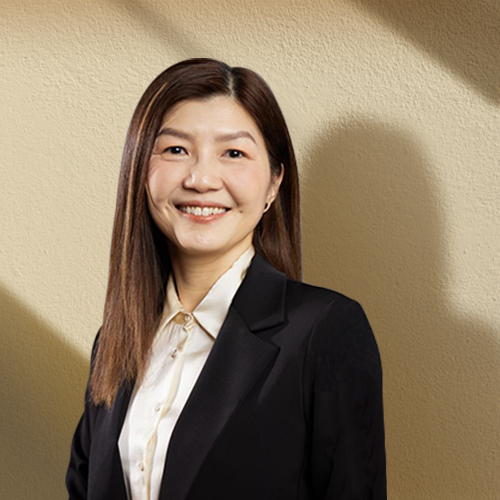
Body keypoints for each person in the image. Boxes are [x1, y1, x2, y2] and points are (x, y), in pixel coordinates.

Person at [66, 58, 387, 500]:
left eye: (233, 153)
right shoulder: (116, 341)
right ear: (139, 170)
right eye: (175, 150)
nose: (200, 179)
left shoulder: (326, 331)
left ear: (274, 182)